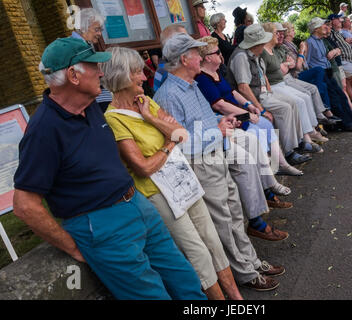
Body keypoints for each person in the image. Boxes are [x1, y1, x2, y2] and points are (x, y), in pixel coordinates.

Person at [13, 37, 206, 300]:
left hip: (136, 204)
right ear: (73, 75)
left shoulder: (90, 107)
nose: (101, 72)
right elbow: (25, 205)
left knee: (185, 280)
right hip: (102, 224)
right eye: (93, 66)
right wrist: (72, 246)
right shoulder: (44, 130)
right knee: (152, 296)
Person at [101, 46, 243, 300]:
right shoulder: (114, 119)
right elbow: (143, 167)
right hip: (158, 191)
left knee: (211, 238)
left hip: (182, 178)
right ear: (123, 76)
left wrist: (151, 118)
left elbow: (181, 133)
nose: (145, 78)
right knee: (196, 250)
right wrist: (169, 145)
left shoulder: (146, 102)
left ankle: (236, 298)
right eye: (137, 73)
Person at [153, 32, 286, 291]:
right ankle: (245, 273)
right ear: (184, 59)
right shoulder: (168, 95)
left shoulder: (190, 85)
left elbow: (201, 121)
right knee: (224, 222)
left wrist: (220, 122)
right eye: (196, 54)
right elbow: (180, 141)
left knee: (235, 214)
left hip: (215, 155)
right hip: (201, 163)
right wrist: (219, 130)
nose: (200, 57)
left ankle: (250, 261)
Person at [195, 36, 303, 176]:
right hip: (229, 117)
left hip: (238, 112)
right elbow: (219, 105)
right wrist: (247, 114)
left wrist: (248, 104)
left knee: (267, 125)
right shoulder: (202, 78)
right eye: (217, 52)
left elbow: (232, 92)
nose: (221, 54)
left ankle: (282, 164)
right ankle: (267, 174)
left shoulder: (216, 71)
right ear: (208, 58)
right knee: (256, 132)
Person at [227, 24, 312, 165]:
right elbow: (243, 88)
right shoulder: (241, 57)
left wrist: (270, 92)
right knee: (284, 108)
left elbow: (263, 75)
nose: (265, 43)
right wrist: (261, 109)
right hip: (254, 98)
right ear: (256, 43)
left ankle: (298, 142)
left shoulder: (255, 54)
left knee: (292, 102)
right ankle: (289, 151)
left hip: (264, 93)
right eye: (263, 41)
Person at [261, 22, 327, 153]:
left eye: (281, 32)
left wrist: (285, 65)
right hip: (275, 85)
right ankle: (307, 138)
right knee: (299, 100)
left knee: (305, 96)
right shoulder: (264, 52)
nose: (281, 35)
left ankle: (312, 131)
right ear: (269, 34)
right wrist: (286, 65)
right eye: (277, 32)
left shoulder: (274, 50)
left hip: (282, 82)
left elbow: (289, 65)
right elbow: (279, 71)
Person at [306, 17, 352, 132]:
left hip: (328, 70)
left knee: (341, 96)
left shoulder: (321, 40)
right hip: (321, 73)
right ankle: (346, 124)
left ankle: (351, 120)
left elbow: (325, 57)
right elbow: (307, 62)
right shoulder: (310, 42)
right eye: (322, 25)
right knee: (335, 98)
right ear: (316, 28)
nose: (325, 26)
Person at [71, 8, 112, 112]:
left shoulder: (84, 44)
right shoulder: (77, 47)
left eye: (101, 30)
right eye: (97, 29)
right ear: (83, 27)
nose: (99, 34)